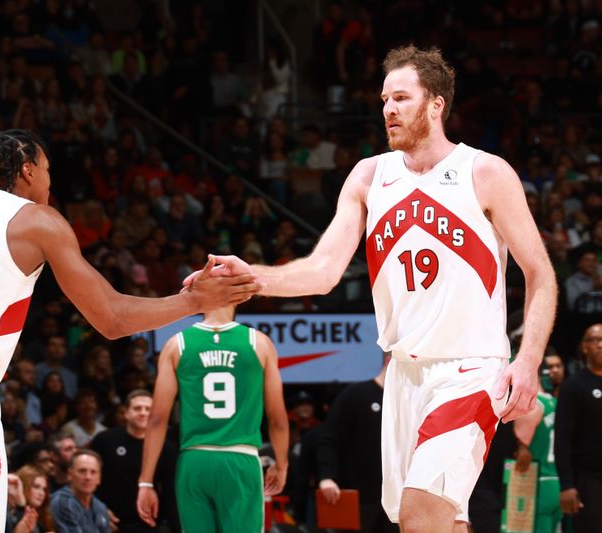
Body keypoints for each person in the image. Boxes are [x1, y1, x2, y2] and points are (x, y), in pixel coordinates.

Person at [185, 45, 557, 532]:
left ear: (436, 104)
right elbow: (321, 271)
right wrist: (251, 277)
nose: (388, 109)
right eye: (384, 99)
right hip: (403, 375)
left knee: (423, 513)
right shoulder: (369, 175)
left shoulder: (484, 172)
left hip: (468, 368)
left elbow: (541, 273)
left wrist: (526, 362)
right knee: (433, 520)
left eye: (401, 98)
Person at [0, 129, 258, 532]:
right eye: (47, 170)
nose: (50, 180)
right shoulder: (36, 219)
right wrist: (193, 302)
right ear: (28, 171)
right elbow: (112, 318)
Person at [137, 304, 289, 532]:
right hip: (239, 459)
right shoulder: (259, 343)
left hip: (194, 460)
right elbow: (277, 420)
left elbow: (157, 419)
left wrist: (146, 482)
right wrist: (281, 464)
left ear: (202, 300)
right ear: (237, 297)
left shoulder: (176, 344)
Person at [317, 354, 397, 533]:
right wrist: (326, 477)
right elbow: (328, 438)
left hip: (394, 500)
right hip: (358, 499)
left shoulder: (405, 402)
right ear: (390, 361)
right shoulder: (356, 394)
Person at [91, 389, 178, 533]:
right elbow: (90, 479)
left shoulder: (167, 448)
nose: (143, 413)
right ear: (126, 412)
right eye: (137, 408)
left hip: (149, 524)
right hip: (109, 522)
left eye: (148, 409)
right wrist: (98, 509)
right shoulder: (105, 440)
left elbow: (170, 493)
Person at [554, 323, 602, 533]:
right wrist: (566, 485)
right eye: (594, 340)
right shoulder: (574, 385)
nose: (600, 345)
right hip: (589, 480)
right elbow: (562, 438)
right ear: (584, 347)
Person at [513, 361, 561, 533]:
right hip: (557, 482)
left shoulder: (531, 405)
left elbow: (522, 455)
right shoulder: (555, 403)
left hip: (536, 483)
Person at [50, 449, 111, 533]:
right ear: (69, 475)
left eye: (93, 472)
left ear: (99, 478)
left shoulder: (100, 507)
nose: (88, 477)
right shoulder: (62, 502)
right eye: (82, 471)